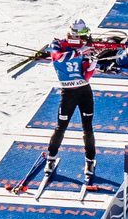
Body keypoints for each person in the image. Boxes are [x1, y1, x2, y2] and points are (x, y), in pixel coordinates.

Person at [42, 21, 98, 185]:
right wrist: (79, 51)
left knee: (87, 128)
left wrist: (93, 62)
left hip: (84, 91)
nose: (83, 39)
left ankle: (90, 159)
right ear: (73, 34)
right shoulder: (57, 44)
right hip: (68, 92)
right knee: (61, 127)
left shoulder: (83, 46)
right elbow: (58, 58)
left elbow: (86, 75)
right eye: (81, 36)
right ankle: (51, 157)